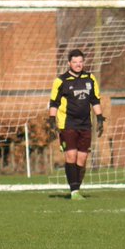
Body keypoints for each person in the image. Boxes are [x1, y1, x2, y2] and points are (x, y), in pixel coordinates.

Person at [48, 48, 104, 200]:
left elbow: (95, 100)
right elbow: (54, 102)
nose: (78, 65)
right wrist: (52, 120)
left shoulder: (90, 78)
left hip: (85, 124)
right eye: (75, 62)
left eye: (80, 62)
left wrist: (99, 117)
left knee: (82, 159)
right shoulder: (61, 81)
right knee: (71, 155)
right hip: (67, 123)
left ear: (83, 62)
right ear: (69, 63)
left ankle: (76, 188)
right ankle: (74, 191)